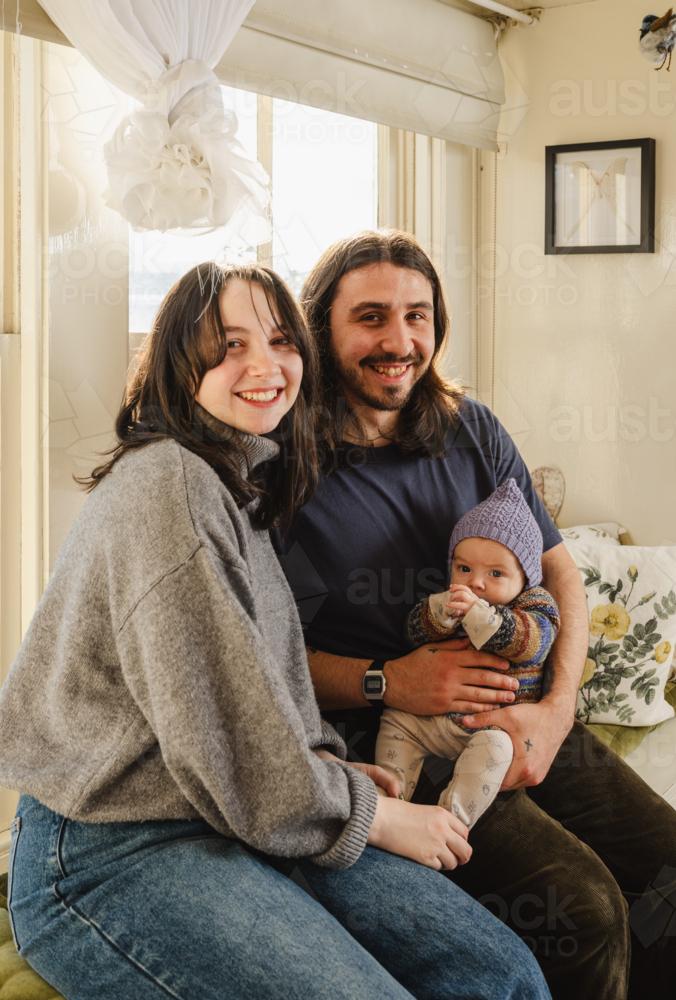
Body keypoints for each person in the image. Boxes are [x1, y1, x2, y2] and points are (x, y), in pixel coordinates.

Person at [0, 262, 551, 1000]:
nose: (264, 366)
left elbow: (263, 696)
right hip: (111, 847)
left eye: (281, 340)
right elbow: (228, 734)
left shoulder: (238, 481)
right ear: (177, 365)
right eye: (228, 346)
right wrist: (379, 815)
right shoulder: (171, 485)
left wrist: (329, 768)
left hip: (235, 813)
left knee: (501, 976)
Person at [274, 229, 676, 1000]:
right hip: (396, 740)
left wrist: (555, 710)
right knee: (582, 911)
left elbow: (560, 572)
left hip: (517, 712)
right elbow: (263, 657)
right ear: (323, 328)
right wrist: (392, 681)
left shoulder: (467, 428)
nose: (399, 340)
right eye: (372, 317)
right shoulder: (281, 466)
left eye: (418, 316)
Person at [375, 479, 560, 828]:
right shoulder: (454, 599)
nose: (475, 582)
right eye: (464, 569)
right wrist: (438, 615)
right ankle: (390, 793)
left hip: (490, 727)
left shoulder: (535, 603)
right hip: (434, 719)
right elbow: (413, 631)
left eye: (495, 573)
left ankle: (454, 818)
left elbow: (533, 644)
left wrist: (482, 617)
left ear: (526, 576)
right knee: (396, 720)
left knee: (498, 751)